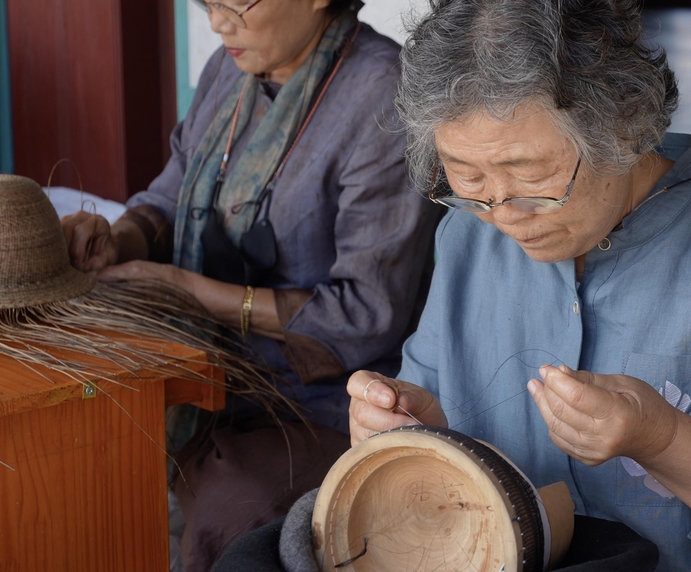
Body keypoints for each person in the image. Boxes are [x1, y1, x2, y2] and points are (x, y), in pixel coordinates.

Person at [347, 1, 691, 570]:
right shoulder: (464, 236)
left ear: (624, 126)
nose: (502, 213)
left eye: (532, 177)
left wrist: (664, 440)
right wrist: (418, 434)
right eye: (468, 177)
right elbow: (431, 442)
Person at [61, 0, 438, 570]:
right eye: (206, 3)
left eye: (236, 3)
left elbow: (364, 315)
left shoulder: (385, 96)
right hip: (211, 375)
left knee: (229, 515)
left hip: (326, 406)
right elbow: (167, 197)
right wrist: (118, 241)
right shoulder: (228, 71)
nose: (218, 22)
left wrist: (190, 290)